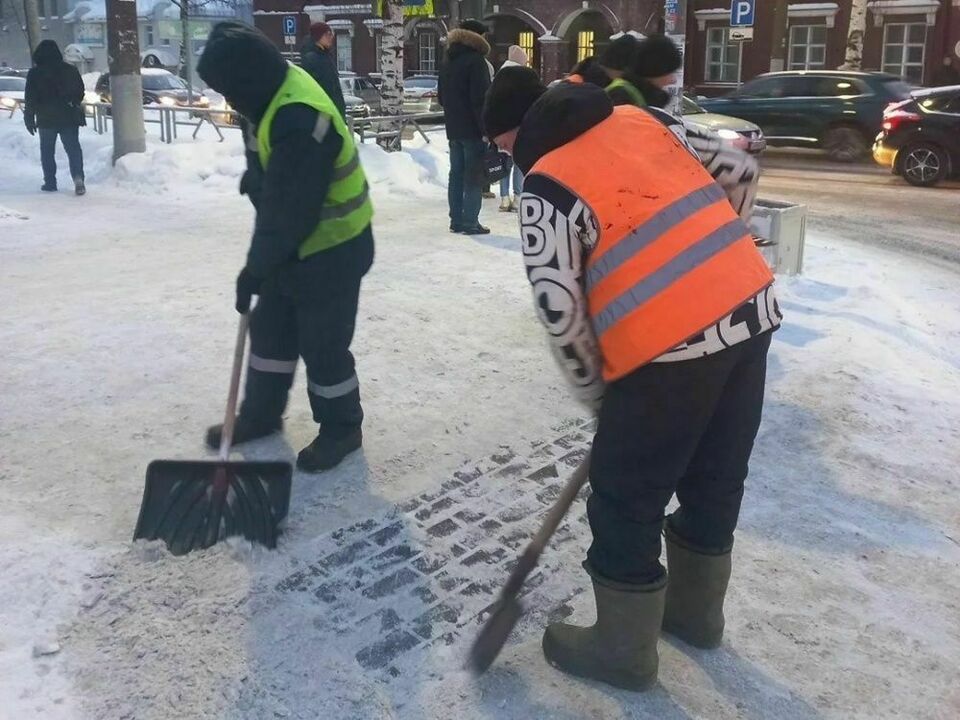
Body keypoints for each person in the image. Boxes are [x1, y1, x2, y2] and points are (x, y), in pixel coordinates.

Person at [483, 68, 781, 691]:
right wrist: (722, 248)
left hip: (665, 348)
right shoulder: (644, 119)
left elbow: (562, 316)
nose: (503, 155)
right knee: (715, 474)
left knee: (625, 495)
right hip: (749, 311)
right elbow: (738, 167)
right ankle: (695, 617)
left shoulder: (546, 187)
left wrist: (602, 400)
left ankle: (622, 651)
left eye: (500, 143)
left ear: (516, 132)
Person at [198, 21, 374, 473]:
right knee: (271, 329)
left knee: (323, 345)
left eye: (228, 91)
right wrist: (258, 178)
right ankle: (261, 415)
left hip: (335, 247)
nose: (227, 101)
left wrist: (255, 269)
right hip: (294, 244)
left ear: (247, 80)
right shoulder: (263, 97)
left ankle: (342, 428)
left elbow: (290, 212)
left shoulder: (299, 117)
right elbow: (271, 178)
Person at [438, 19, 492, 235]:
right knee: (473, 176)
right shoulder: (476, 61)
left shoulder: (448, 60)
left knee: (456, 175)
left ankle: (456, 220)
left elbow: (441, 97)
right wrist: (486, 129)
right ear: (477, 36)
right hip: (473, 130)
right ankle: (470, 221)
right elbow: (481, 99)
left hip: (453, 128)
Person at [23, 40, 86, 195]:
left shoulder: (35, 73)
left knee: (47, 151)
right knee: (73, 149)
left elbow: (30, 98)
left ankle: (50, 182)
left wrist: (29, 118)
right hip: (69, 116)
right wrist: (73, 102)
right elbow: (80, 90)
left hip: (46, 118)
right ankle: (78, 178)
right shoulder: (70, 70)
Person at [606, 33, 681, 108]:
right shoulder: (621, 96)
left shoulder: (640, 95)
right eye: (670, 73)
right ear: (655, 71)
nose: (673, 80)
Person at [496, 45, 528, 212]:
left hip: (501, 128)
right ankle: (517, 198)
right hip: (518, 127)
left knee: (504, 164)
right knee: (518, 164)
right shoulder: (523, 78)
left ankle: (504, 198)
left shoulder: (499, 78)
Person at [300, 21, 347, 120]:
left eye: (331, 34)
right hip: (322, 112)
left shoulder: (326, 56)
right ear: (318, 37)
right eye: (327, 35)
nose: (331, 38)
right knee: (321, 130)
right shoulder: (311, 58)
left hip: (333, 110)